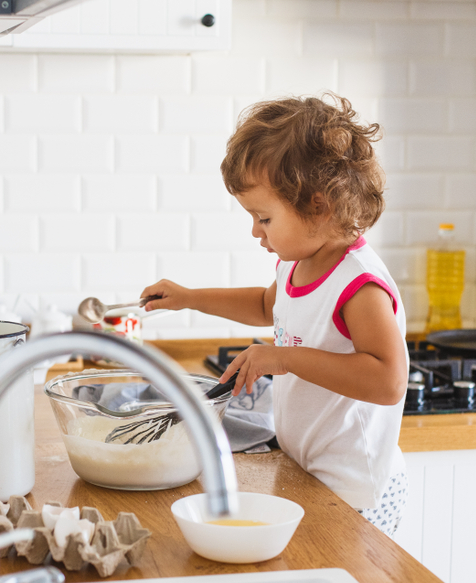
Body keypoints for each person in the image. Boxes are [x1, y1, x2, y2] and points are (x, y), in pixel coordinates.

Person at [141, 93, 410, 537]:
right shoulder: (296, 260)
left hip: (360, 487)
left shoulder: (359, 285)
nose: (255, 230)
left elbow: (387, 381)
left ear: (318, 206)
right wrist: (189, 297)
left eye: (263, 217)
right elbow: (269, 306)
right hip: (312, 469)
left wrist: (282, 358)